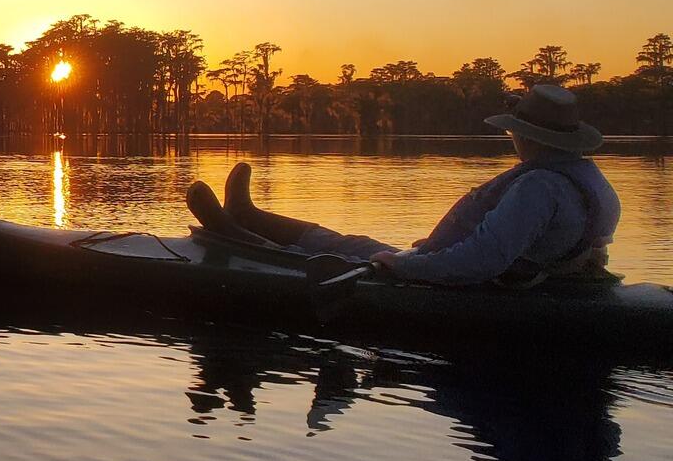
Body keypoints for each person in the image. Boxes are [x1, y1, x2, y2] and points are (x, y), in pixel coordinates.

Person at [186, 84, 621, 286]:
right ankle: (248, 214)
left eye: (514, 132)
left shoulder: (538, 188)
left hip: (460, 284)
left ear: (527, 136)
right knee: (348, 241)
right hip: (462, 266)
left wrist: (406, 267)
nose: (513, 138)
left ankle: (234, 232)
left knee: (327, 255)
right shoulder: (587, 179)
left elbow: (481, 261)